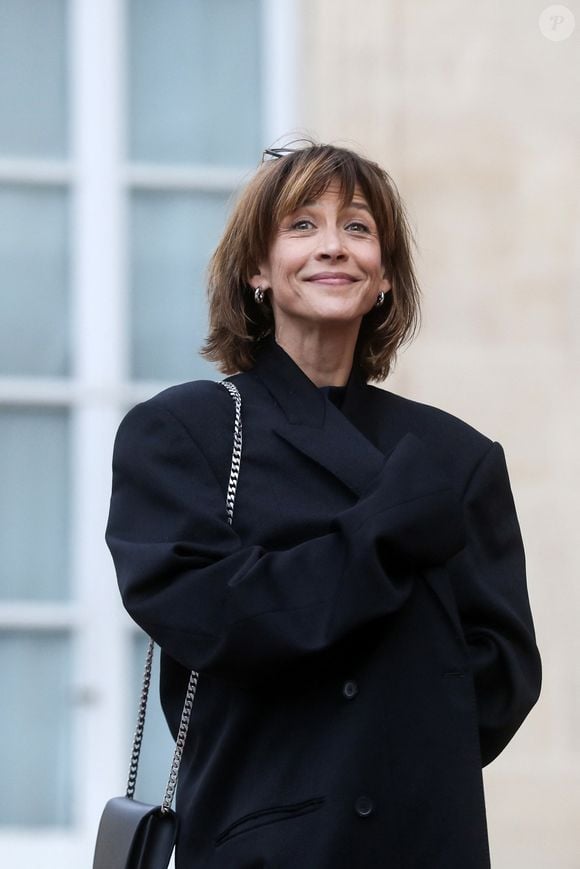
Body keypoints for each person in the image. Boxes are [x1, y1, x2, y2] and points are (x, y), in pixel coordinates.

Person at [106, 143, 541, 868]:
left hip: (421, 840)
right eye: (302, 225)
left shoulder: (458, 458)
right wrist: (380, 538)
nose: (333, 246)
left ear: (384, 280)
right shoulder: (186, 432)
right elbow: (209, 615)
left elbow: (500, 678)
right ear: (256, 269)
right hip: (262, 841)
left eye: (360, 228)